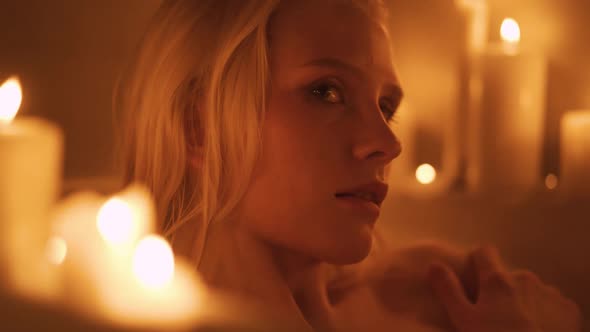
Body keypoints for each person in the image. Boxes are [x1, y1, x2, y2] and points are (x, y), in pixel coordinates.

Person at [115, 0, 581, 331]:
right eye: (327, 92)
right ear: (200, 127)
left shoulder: (456, 291)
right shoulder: (101, 308)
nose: (387, 143)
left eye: (386, 104)